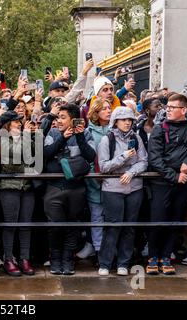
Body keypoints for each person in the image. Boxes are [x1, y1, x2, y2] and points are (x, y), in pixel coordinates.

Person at [147, 94, 187, 275]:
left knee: (176, 219)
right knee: (157, 219)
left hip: (183, 183)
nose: (168, 110)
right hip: (161, 182)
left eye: (172, 108)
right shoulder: (160, 129)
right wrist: (174, 176)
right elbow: (155, 159)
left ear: (183, 110)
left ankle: (166, 256)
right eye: (167, 107)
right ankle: (152, 256)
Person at [41, 103, 96, 275]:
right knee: (55, 226)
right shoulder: (53, 132)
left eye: (63, 117)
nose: (59, 121)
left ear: (74, 119)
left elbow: (91, 156)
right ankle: (55, 260)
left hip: (76, 187)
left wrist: (79, 136)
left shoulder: (85, 133)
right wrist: (63, 138)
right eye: (58, 117)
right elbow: (45, 154)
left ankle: (68, 260)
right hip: (54, 187)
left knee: (73, 226)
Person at [97, 107, 148, 276]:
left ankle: (123, 264)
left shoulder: (137, 138)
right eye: (123, 119)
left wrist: (131, 172)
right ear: (115, 121)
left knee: (129, 227)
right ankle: (105, 263)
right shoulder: (107, 139)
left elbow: (143, 161)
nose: (127, 122)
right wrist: (124, 157)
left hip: (134, 187)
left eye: (130, 119)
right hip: (113, 188)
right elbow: (103, 166)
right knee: (113, 226)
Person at [0, 111, 36, 276]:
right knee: (10, 225)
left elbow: (35, 155)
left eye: (20, 121)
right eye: (15, 122)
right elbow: (13, 160)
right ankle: (8, 259)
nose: (20, 124)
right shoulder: (1, 140)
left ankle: (24, 258)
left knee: (25, 224)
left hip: (27, 187)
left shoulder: (27, 137)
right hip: (9, 186)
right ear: (7, 124)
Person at [80, 98, 112, 263]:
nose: (108, 110)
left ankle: (110, 250)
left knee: (112, 218)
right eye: (104, 108)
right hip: (95, 182)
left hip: (113, 182)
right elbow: (88, 158)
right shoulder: (88, 132)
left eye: (109, 107)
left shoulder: (115, 129)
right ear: (96, 112)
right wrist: (95, 179)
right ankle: (99, 250)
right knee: (97, 217)